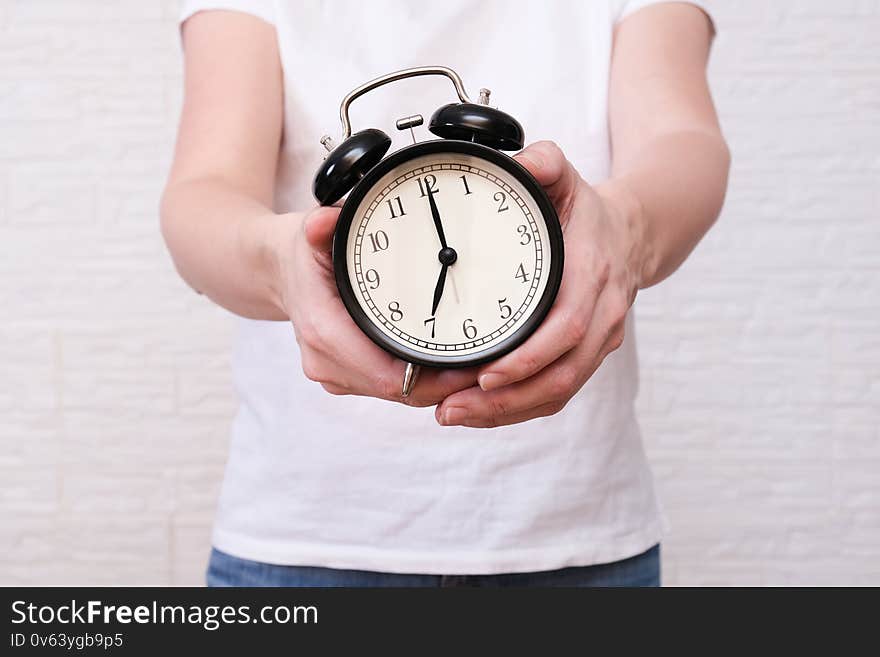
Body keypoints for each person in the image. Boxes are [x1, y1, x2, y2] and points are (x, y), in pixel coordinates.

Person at [161, 0, 729, 587]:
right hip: (302, 540)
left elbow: (684, 141)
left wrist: (625, 226)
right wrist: (281, 262)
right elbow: (202, 196)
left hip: (576, 537)